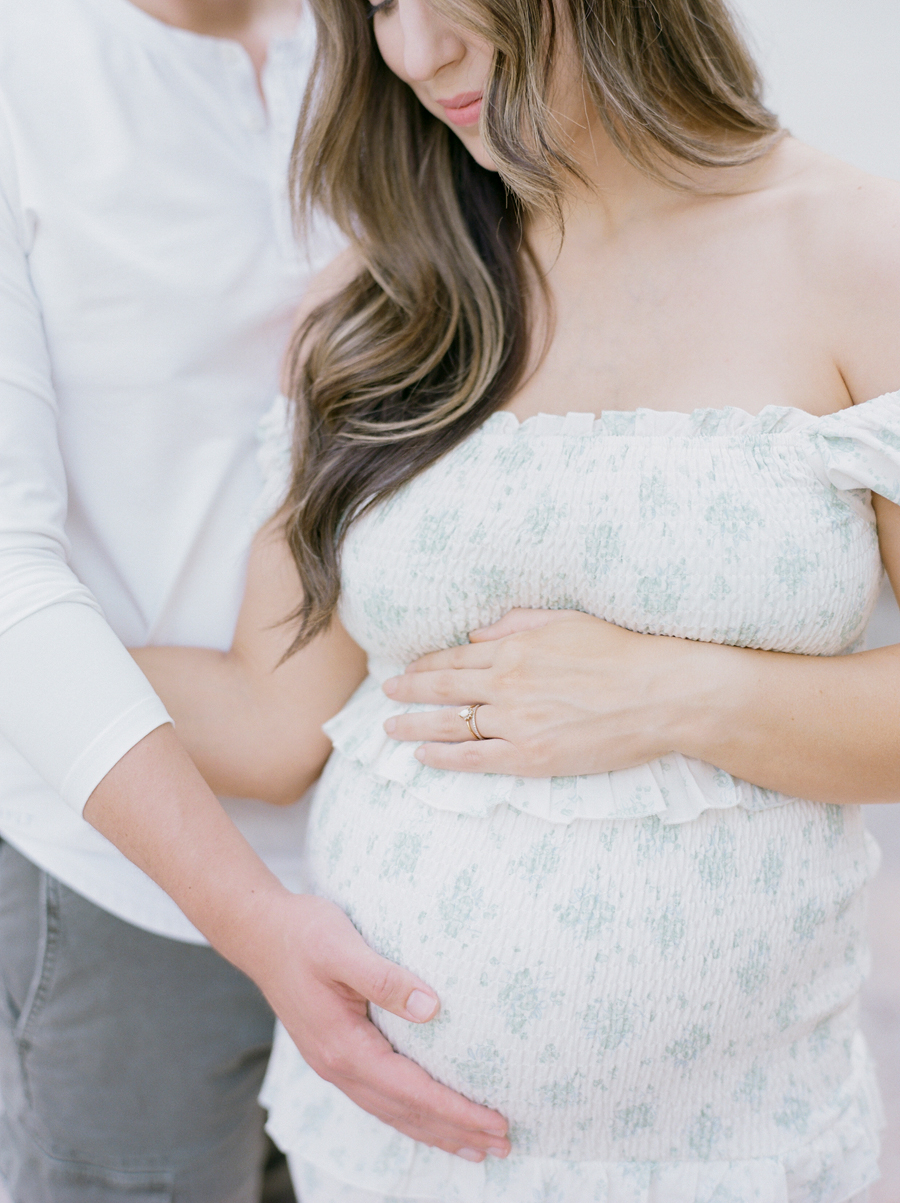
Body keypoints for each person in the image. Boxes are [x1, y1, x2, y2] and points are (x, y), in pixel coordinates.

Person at [127, 0, 900, 1197]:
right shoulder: (380, 305)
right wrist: (34, 626)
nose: (419, 50)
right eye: (381, 3)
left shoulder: (854, 251)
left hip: (736, 1159)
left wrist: (682, 693)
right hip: (386, 1161)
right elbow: (267, 722)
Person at [0, 1, 512, 1199]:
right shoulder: (24, 73)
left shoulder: (399, 38)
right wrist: (254, 921)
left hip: (414, 867)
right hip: (131, 878)